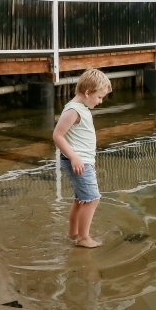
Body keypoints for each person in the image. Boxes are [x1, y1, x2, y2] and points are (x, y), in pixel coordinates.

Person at [53, 68, 111, 248]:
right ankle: (83, 238)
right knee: (92, 199)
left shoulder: (81, 107)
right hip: (78, 162)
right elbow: (57, 135)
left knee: (80, 199)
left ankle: (73, 233)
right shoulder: (73, 110)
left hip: (83, 161)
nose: (100, 101)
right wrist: (74, 158)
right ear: (87, 92)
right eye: (100, 97)